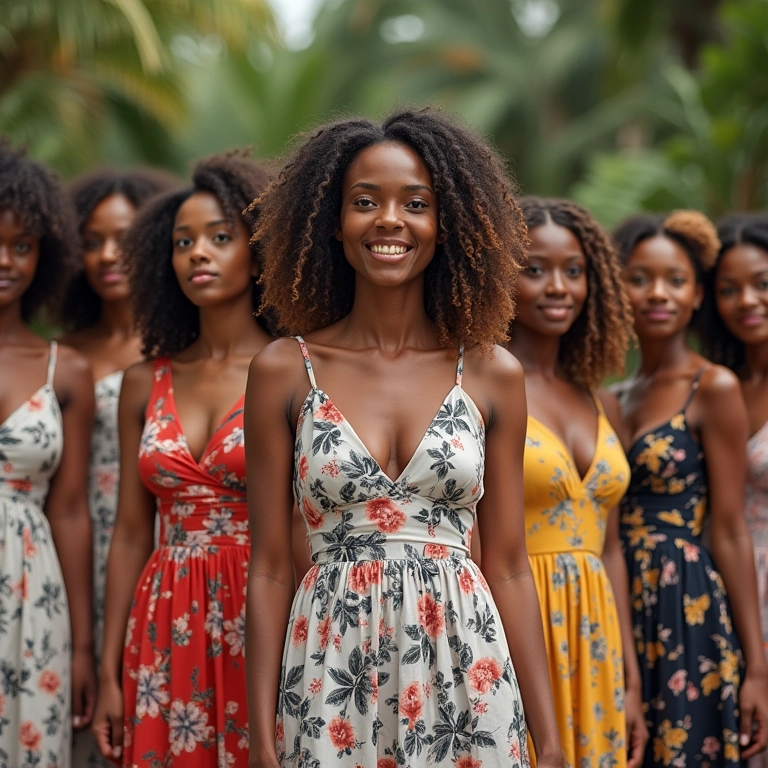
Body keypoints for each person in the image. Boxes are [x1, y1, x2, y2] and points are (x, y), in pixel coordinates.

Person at [245, 108, 564, 768]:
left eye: (415, 203)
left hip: (464, 665)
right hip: (332, 671)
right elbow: (272, 566)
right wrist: (259, 733)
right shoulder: (283, 367)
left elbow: (507, 563)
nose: (390, 220)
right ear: (332, 222)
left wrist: (551, 739)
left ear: (446, 224)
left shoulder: (491, 372)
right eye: (366, 202)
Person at [91, 151, 273, 766]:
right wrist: (111, 665)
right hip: (164, 615)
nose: (199, 252)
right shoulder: (145, 381)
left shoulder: (296, 370)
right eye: (184, 241)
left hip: (264, 606)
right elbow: (129, 534)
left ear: (259, 251)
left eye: (221, 238)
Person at [613, 210, 768, 767]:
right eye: (639, 278)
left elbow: (727, 529)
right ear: (617, 288)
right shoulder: (613, 395)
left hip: (688, 606)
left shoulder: (712, 386)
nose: (658, 293)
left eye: (675, 280)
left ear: (697, 295)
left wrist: (758, 670)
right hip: (619, 601)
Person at [507, 197, 647, 767]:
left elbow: (611, 548)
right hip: (519, 624)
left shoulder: (602, 400)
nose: (558, 287)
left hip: (597, 636)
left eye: (574, 271)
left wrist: (629, 674)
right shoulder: (479, 384)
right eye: (535, 270)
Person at [60, 167, 177, 767]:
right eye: (91, 240)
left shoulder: (179, 354)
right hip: (75, 549)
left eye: (124, 239)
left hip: (162, 542)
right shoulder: (64, 352)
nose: (107, 255)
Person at [0, 141, 96, 766]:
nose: (5, 260)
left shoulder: (68, 369)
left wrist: (84, 646)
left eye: (23, 245)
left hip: (32, 595)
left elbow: (69, 511)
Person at [701, 212, 768, 768]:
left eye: (762, 283)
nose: (746, 299)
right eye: (729, 289)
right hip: (729, 594)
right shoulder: (722, 386)